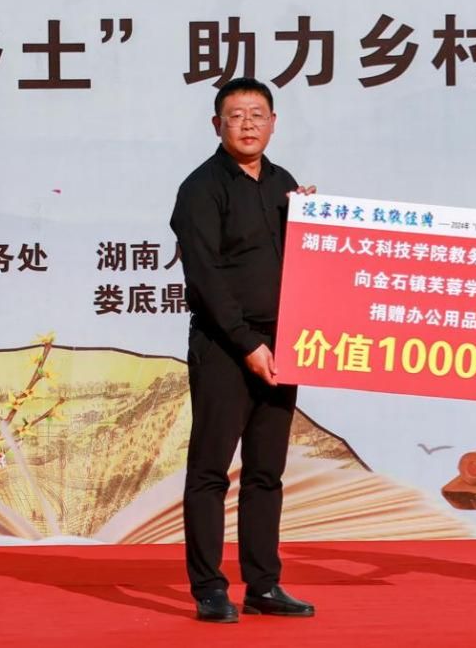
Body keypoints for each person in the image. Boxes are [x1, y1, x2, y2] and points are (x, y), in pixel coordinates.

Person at [170, 77, 316, 622]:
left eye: (258, 114)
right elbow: (206, 277)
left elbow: (306, 264)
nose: (248, 124)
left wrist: (315, 223)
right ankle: (209, 587)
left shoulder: (285, 184)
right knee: (210, 470)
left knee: (266, 471)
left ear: (274, 123)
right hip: (224, 345)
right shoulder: (200, 188)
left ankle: (264, 584)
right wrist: (247, 343)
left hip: (283, 342)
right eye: (236, 115)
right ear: (217, 125)